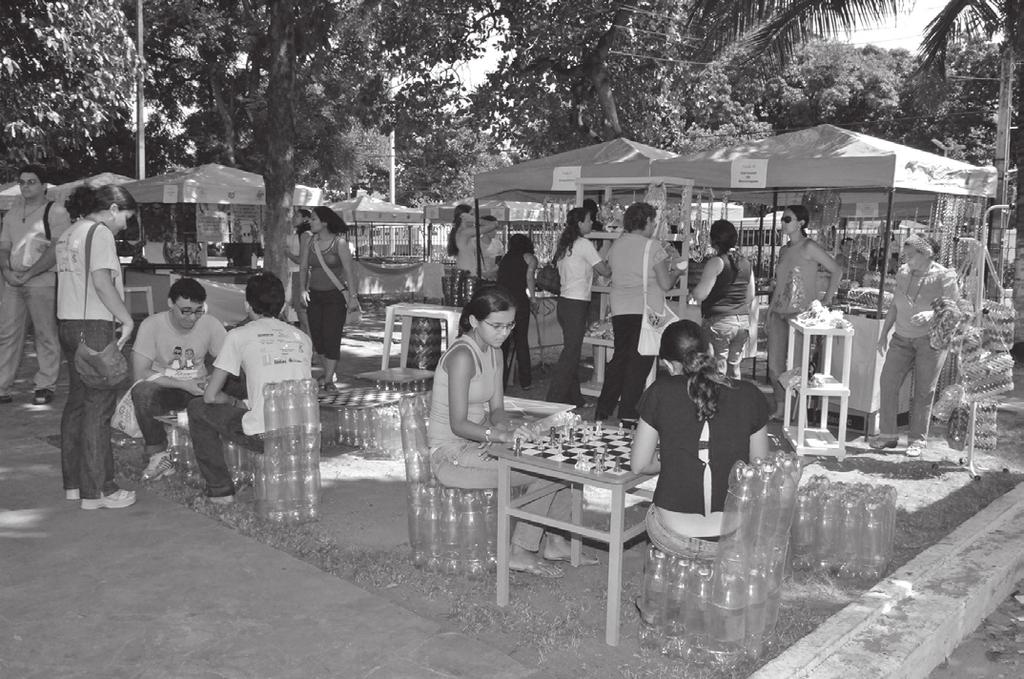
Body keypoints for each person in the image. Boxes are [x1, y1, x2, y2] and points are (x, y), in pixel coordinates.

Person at [428, 287, 588, 577]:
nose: (504, 332)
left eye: (510, 325)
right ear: (475, 322)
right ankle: (521, 550)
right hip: (451, 455)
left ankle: (556, 540)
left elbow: (497, 409)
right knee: (547, 471)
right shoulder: (462, 356)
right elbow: (458, 424)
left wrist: (514, 428)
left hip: (477, 444)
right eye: (497, 326)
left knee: (563, 457)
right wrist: (501, 436)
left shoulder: (495, 352)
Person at [630, 320, 769, 558]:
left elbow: (640, 464)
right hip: (733, 534)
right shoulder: (750, 394)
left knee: (653, 513)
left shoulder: (658, 392)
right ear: (710, 352)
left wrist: (676, 455)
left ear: (667, 364)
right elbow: (759, 469)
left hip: (673, 534)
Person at [187, 272, 313, 503]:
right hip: (305, 435)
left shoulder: (238, 335)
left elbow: (210, 396)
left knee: (197, 408)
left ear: (247, 305)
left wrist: (229, 400)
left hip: (265, 435)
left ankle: (220, 491)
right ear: (283, 305)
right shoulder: (302, 337)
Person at [55, 184, 137, 509]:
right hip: (94, 326)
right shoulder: (99, 233)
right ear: (113, 209)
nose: (125, 226)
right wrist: (126, 319)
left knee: (77, 402)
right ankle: (100, 490)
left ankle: (74, 484)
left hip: (68, 323)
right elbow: (102, 282)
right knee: (99, 407)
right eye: (127, 217)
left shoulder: (68, 232)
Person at [595, 202, 685, 426]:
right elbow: (665, 283)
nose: (655, 225)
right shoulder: (653, 247)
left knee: (620, 359)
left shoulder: (617, 246)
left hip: (620, 309)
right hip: (645, 311)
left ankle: (603, 409)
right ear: (645, 222)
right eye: (653, 221)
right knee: (640, 363)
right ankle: (628, 414)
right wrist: (677, 271)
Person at [869, 235, 959, 458]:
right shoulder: (903, 273)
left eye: (911, 254)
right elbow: (895, 306)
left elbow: (955, 308)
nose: (906, 258)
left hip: (931, 342)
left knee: (923, 391)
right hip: (901, 338)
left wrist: (932, 313)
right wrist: (883, 334)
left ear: (927, 253)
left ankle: (917, 439)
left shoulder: (944, 276)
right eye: (905, 253)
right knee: (887, 383)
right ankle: (888, 435)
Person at [131, 277, 228, 480]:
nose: (192, 318)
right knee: (142, 392)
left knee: (236, 383)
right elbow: (140, 372)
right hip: (167, 387)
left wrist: (212, 380)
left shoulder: (210, 323)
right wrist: (183, 384)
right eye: (185, 311)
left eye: (198, 311)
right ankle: (158, 455)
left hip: (200, 388)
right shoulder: (152, 325)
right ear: (170, 304)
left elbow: (229, 362)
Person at [0, 164, 72, 405]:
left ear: (44, 186)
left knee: (45, 334)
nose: (25, 186)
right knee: (8, 334)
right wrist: (7, 271)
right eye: (22, 182)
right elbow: (4, 247)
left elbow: (57, 250)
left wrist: (29, 273)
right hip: (12, 281)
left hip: (42, 281)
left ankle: (45, 385)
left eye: (31, 181)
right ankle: (2, 386)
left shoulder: (56, 212)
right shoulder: (12, 212)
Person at [766, 205, 842, 420]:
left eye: (787, 219)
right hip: (779, 314)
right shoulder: (784, 250)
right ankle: (782, 409)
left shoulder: (809, 246)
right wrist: (770, 312)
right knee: (774, 367)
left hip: (800, 317)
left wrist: (826, 300)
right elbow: (780, 284)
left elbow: (836, 269)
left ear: (801, 223)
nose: (782, 222)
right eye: (782, 219)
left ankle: (797, 414)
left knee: (797, 369)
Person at [546, 207, 611, 406]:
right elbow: (604, 270)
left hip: (565, 303)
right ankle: (554, 399)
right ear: (581, 223)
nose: (592, 223)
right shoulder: (583, 244)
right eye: (590, 220)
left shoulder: (566, 243)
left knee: (571, 353)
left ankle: (575, 398)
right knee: (570, 354)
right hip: (575, 304)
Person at [298, 205, 360, 390]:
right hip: (314, 295)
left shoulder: (339, 243)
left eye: (314, 218)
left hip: (335, 297)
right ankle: (328, 375)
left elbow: (349, 271)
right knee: (317, 338)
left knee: (331, 336)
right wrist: (302, 289)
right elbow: (303, 267)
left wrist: (353, 297)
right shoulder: (309, 242)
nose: (310, 221)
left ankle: (329, 377)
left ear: (325, 222)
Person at [689, 219, 755, 379]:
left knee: (717, 368)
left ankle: (719, 402)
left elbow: (701, 294)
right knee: (734, 368)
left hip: (719, 321)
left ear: (713, 240)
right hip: (742, 322)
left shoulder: (716, 262)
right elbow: (750, 295)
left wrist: (692, 293)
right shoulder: (746, 263)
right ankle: (736, 401)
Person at [496, 233, 538, 389]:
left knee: (503, 343)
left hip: (502, 302)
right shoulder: (529, 258)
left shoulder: (504, 259)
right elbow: (529, 279)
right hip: (519, 302)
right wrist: (533, 299)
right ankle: (525, 381)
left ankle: (500, 381)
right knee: (521, 341)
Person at [448, 205, 501, 280]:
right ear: (463, 216)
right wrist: (475, 220)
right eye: (471, 214)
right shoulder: (464, 232)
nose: (474, 217)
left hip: (469, 274)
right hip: (467, 276)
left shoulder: (466, 232)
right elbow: (494, 225)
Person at [286, 208, 312, 335]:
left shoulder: (305, 234)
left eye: (297, 216)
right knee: (297, 308)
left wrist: (288, 254)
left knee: (301, 309)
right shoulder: (297, 233)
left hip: (299, 273)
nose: (293, 218)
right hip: (292, 272)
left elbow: (301, 260)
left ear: (305, 218)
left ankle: (309, 338)